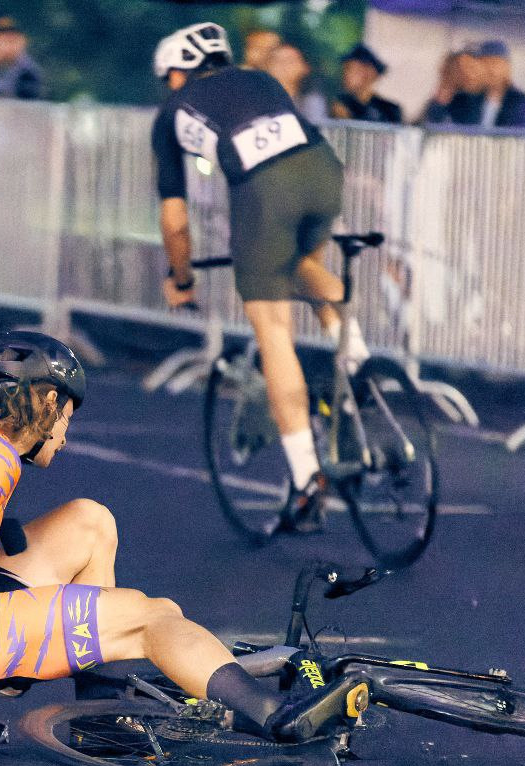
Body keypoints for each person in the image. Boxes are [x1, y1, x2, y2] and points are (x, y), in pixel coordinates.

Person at [0, 330, 370, 766]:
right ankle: (275, 712)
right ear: (48, 402)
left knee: (90, 521)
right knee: (153, 617)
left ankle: (98, 719)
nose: (65, 435)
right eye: (68, 419)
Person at [150, 22, 370, 533]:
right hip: (323, 173)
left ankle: (307, 479)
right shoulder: (261, 81)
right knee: (301, 265)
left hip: (264, 191)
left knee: (272, 329)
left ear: (177, 74)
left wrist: (180, 277)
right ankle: (353, 349)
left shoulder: (170, 114)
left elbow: (175, 220)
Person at [475, 40, 525, 129]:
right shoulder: (466, 101)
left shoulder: (524, 105)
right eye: (483, 64)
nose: (489, 69)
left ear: (507, 67)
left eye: (494, 63)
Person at [331, 43, 401, 124]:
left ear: (370, 74)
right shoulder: (341, 104)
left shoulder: (390, 110)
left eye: (350, 69)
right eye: (345, 69)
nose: (345, 74)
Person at [265, 42, 328, 124]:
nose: (282, 66)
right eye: (276, 60)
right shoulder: (257, 100)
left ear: (305, 68)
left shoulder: (312, 101)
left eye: (290, 61)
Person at [420, 48, 485, 125]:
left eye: (471, 67)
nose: (467, 73)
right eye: (461, 69)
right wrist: (443, 96)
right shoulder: (451, 100)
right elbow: (429, 123)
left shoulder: (488, 97)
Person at [0, 17, 44, 99]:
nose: (8, 46)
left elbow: (21, 100)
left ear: (22, 42)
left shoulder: (28, 73)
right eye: (3, 41)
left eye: (12, 41)